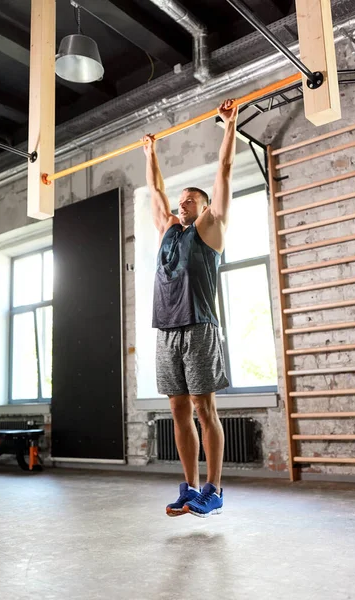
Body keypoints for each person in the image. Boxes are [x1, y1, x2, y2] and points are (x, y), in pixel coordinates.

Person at [143, 98, 238, 518]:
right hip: (166, 329)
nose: (182, 204)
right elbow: (156, 191)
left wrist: (229, 127)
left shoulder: (210, 228)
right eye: (180, 201)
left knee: (204, 408)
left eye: (189, 200)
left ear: (202, 208)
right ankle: (190, 487)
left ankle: (215, 490)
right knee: (178, 408)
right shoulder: (168, 230)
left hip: (199, 326)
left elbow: (224, 173)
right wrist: (150, 154)